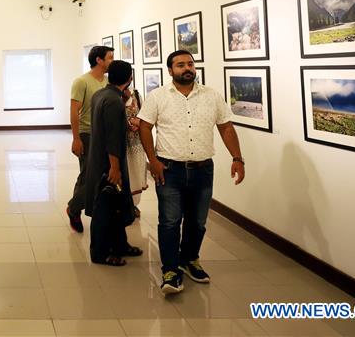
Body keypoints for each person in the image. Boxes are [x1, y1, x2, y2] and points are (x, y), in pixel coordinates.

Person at [138, 50, 246, 295]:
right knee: (170, 221)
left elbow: (226, 127)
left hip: (202, 169)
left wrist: (237, 158)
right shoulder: (157, 97)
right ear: (170, 70)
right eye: (180, 65)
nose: (186, 68)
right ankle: (170, 270)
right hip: (169, 169)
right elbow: (145, 127)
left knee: (197, 222)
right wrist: (152, 161)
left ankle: (189, 260)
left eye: (190, 64)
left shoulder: (211, 96)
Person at [83, 60, 142, 265]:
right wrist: (115, 168)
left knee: (117, 206)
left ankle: (120, 245)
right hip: (109, 162)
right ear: (129, 78)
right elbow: (113, 137)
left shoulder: (101, 94)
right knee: (105, 210)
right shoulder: (114, 102)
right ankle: (100, 253)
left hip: (99, 158)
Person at [66, 45, 112, 233]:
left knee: (93, 175)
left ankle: (79, 208)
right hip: (87, 134)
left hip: (106, 135)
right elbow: (74, 111)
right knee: (89, 175)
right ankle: (74, 208)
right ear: (99, 60)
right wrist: (76, 138)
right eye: (109, 57)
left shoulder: (109, 82)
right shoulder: (81, 82)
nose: (112, 61)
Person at [125, 87, 149, 216]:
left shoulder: (136, 94)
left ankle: (133, 205)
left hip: (137, 143)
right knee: (125, 172)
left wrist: (138, 122)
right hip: (122, 143)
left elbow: (144, 115)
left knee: (136, 172)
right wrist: (128, 122)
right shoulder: (112, 95)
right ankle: (122, 205)